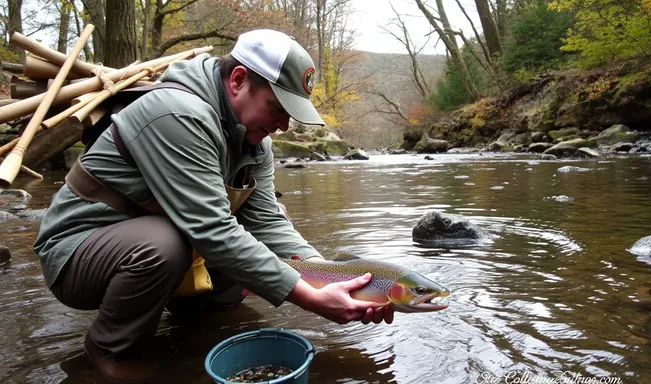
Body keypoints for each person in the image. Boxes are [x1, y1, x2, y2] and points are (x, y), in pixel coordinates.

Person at [34, 29, 394, 384]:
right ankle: (109, 350)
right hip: (77, 255)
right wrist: (308, 298)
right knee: (166, 242)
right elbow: (212, 231)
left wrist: (332, 277)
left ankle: (203, 316)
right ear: (238, 80)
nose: (283, 125)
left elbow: (267, 222)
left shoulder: (255, 144)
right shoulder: (176, 113)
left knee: (259, 228)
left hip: (157, 243)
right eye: (277, 107)